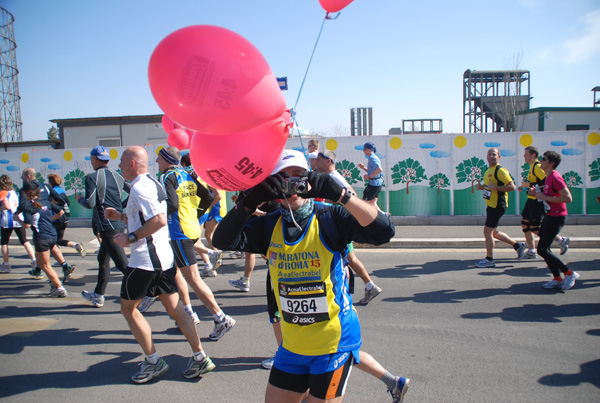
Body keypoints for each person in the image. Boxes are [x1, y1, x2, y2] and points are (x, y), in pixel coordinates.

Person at [213, 150, 409, 403]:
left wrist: (341, 195)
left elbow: (383, 233)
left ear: (311, 180)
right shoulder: (268, 225)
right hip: (292, 345)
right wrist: (249, 203)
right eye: (282, 179)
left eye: (298, 177)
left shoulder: (330, 217)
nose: (292, 185)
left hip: (333, 342)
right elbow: (221, 240)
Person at [105, 146, 215, 383]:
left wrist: (130, 237)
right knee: (176, 309)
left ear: (132, 163)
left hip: (146, 260)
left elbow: (158, 219)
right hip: (163, 258)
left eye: (122, 162)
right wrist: (121, 217)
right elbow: (145, 217)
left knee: (128, 309)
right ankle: (200, 357)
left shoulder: (139, 186)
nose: (120, 167)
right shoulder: (153, 182)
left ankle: (154, 362)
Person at [157, 146, 235, 341]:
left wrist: (158, 216)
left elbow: (172, 204)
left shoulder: (167, 177)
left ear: (166, 159)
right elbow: (208, 197)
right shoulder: (187, 174)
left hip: (180, 231)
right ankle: (188, 312)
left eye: (159, 159)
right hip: (190, 227)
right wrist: (196, 214)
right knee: (174, 271)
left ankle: (220, 317)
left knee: (193, 278)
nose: (157, 162)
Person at [316, 150, 383, 305]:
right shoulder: (332, 177)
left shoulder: (332, 177)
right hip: (337, 225)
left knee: (340, 258)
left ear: (328, 161)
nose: (316, 163)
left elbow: (350, 194)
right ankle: (369, 286)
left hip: (338, 226)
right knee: (349, 258)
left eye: (319, 160)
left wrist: (334, 206)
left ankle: (340, 293)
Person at [77, 146, 131, 308]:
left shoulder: (92, 177)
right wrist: (121, 206)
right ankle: (99, 295)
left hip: (107, 226)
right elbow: (133, 191)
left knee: (122, 264)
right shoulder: (117, 176)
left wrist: (80, 198)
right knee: (103, 258)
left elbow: (90, 203)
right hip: (118, 223)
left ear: (94, 159)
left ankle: (149, 292)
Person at [532, 151, 579, 290]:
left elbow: (568, 198)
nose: (541, 160)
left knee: (542, 249)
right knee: (543, 249)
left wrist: (545, 198)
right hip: (550, 215)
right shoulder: (548, 177)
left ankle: (569, 273)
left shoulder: (555, 177)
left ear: (551, 163)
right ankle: (557, 278)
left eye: (544, 159)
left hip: (557, 217)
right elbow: (548, 195)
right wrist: (538, 194)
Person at [19, 167, 75, 282]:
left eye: (23, 176)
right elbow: (61, 201)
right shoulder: (45, 186)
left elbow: (23, 206)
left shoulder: (25, 190)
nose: (22, 178)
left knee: (43, 250)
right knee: (52, 244)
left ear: (28, 177)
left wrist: (18, 216)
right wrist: (49, 206)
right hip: (47, 219)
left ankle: (55, 284)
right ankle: (64, 267)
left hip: (37, 222)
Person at [474, 148, 525, 268]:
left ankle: (489, 259)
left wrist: (495, 188)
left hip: (497, 205)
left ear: (499, 157)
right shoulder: (488, 170)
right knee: (494, 232)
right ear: (486, 157)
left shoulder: (500, 171)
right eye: (489, 154)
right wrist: (482, 187)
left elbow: (512, 187)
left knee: (487, 231)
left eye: (494, 154)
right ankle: (517, 246)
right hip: (491, 204)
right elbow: (490, 187)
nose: (491, 156)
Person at [17, 181, 68, 297]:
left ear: (25, 193)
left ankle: (59, 287)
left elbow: (27, 225)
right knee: (43, 264)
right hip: (52, 235)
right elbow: (60, 212)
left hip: (41, 237)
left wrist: (17, 219)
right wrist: (49, 219)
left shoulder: (28, 207)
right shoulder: (46, 203)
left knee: (44, 265)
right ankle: (55, 285)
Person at [518, 146, 570, 258]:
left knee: (535, 227)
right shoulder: (532, 167)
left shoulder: (537, 167)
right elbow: (536, 185)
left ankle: (559, 240)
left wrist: (537, 191)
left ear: (533, 155)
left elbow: (545, 182)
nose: (524, 156)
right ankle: (532, 250)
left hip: (538, 202)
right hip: (531, 200)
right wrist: (524, 188)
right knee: (525, 224)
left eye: (526, 154)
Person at [179, 153, 223, 278]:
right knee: (196, 239)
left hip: (195, 212)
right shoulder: (203, 175)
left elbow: (218, 196)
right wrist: (205, 208)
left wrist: (203, 208)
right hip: (200, 212)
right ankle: (208, 264)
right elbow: (217, 195)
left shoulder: (187, 176)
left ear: (183, 164)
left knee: (190, 241)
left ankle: (212, 254)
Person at [0, 175, 37, 273]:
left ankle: (6, 264)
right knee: (24, 240)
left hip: (7, 220)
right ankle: (34, 259)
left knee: (4, 242)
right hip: (18, 218)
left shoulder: (3, 193)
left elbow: (7, 207)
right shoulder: (14, 192)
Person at [47, 173, 86, 258]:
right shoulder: (61, 190)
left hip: (57, 218)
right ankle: (76, 245)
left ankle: (59, 259)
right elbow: (67, 203)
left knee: (53, 240)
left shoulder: (53, 192)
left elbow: (58, 202)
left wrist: (53, 203)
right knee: (59, 240)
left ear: (50, 182)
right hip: (65, 218)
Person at [358, 142, 384, 210]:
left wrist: (369, 177)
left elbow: (379, 169)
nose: (363, 150)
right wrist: (363, 167)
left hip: (374, 184)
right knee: (373, 202)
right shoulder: (373, 158)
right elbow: (373, 171)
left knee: (364, 203)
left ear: (370, 149)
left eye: (365, 149)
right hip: (377, 184)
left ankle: (363, 219)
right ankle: (384, 215)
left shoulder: (372, 158)